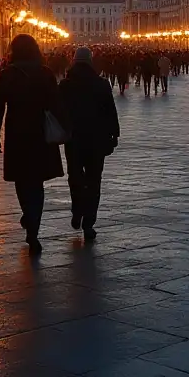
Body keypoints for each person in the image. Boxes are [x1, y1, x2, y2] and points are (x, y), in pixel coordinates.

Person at [0, 34, 66, 254]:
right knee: (37, 182)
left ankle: (28, 215)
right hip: (40, 132)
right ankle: (33, 227)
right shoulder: (45, 73)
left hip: (17, 133)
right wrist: (65, 128)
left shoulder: (7, 74)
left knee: (22, 179)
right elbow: (57, 103)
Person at [58, 47, 119, 241]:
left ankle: (77, 210)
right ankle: (89, 223)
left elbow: (58, 110)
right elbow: (110, 110)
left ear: (74, 62)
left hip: (73, 139)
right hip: (96, 139)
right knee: (94, 180)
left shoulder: (65, 85)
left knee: (75, 177)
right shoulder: (101, 84)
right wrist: (114, 134)